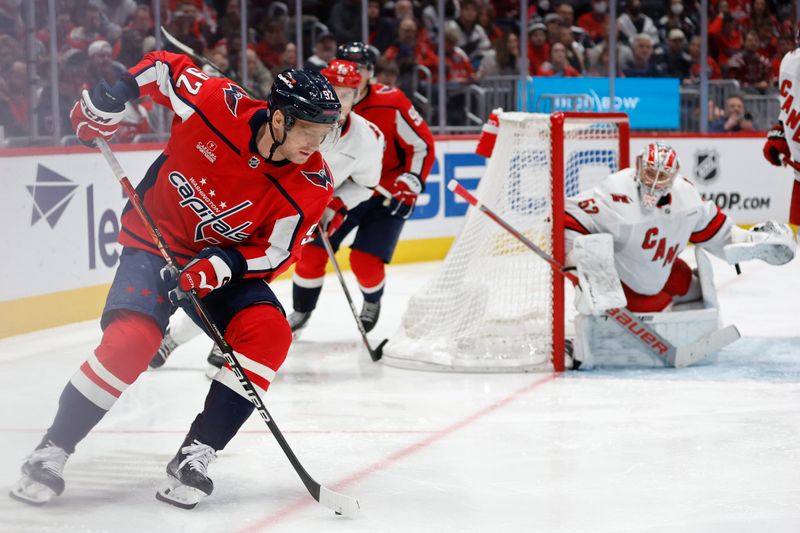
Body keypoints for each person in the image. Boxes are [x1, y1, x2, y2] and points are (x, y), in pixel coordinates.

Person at [10, 50, 342, 509]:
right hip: (154, 242)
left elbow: (276, 250)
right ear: (279, 119)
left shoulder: (314, 181)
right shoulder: (217, 103)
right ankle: (53, 447)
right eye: (308, 130)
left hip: (221, 267)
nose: (316, 144)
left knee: (268, 333)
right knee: (133, 341)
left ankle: (195, 454)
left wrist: (220, 265)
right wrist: (113, 98)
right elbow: (165, 68)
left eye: (325, 134)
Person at [150, 59, 386, 372]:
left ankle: (224, 340)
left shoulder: (368, 140)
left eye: (348, 94)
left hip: (294, 218)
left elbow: (367, 185)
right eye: (335, 92)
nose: (341, 102)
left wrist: (336, 208)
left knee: (242, 284)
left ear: (359, 95)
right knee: (219, 275)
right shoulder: (295, 117)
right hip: (250, 205)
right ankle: (177, 338)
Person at [564, 142, 794, 368]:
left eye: (662, 175)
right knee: (643, 305)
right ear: (639, 166)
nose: (654, 182)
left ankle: (683, 322)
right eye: (650, 172)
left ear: (674, 177)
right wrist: (579, 264)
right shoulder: (616, 191)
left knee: (692, 286)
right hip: (626, 282)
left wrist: (751, 242)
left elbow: (716, 230)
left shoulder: (686, 196)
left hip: (664, 270)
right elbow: (569, 216)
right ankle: (581, 341)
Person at [288, 41, 435, 335]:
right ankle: (302, 310)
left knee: (365, 261)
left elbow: (422, 145)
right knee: (313, 251)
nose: (352, 72)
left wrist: (412, 180)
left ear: (369, 73)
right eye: (345, 65)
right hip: (342, 193)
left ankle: (371, 301)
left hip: (384, 194)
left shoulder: (391, 101)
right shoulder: (322, 104)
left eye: (360, 68)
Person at [763, 29, 800, 225]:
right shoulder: (793, 62)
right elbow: (791, 104)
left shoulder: (789, 60)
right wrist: (782, 131)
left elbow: (791, 103)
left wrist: (782, 132)